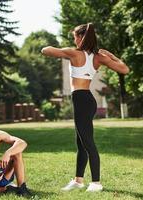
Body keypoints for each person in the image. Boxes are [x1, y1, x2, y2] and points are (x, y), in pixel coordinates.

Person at [41, 23, 129, 192]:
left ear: (81, 37)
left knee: (88, 142)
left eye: (75, 36)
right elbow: (124, 69)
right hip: (88, 100)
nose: (74, 39)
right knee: (81, 142)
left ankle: (96, 182)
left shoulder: (73, 53)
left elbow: (46, 50)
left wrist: (61, 49)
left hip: (81, 100)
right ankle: (78, 180)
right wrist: (111, 55)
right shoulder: (98, 57)